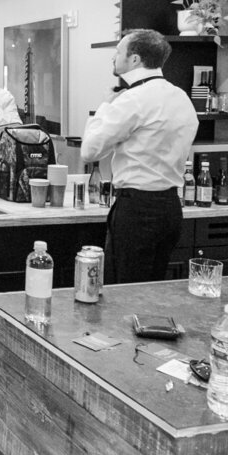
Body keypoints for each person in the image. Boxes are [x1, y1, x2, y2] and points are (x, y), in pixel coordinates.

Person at [80, 29, 198, 283]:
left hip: (137, 209)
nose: (113, 58)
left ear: (134, 60)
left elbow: (90, 150)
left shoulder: (132, 100)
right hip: (171, 209)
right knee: (151, 290)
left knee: (123, 289)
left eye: (118, 52)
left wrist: (104, 106)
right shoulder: (182, 99)